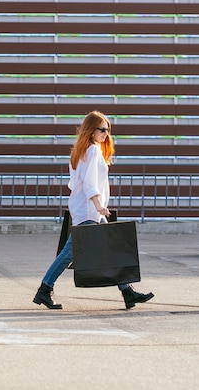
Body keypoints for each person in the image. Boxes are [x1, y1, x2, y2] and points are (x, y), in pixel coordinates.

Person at [33, 110, 154, 310]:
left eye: (108, 130)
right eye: (102, 130)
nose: (106, 134)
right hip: (90, 211)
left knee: (110, 247)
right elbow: (89, 183)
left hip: (87, 209)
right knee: (69, 253)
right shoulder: (93, 150)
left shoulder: (82, 149)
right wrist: (99, 205)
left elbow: (73, 184)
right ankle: (44, 289)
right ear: (91, 130)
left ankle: (127, 292)